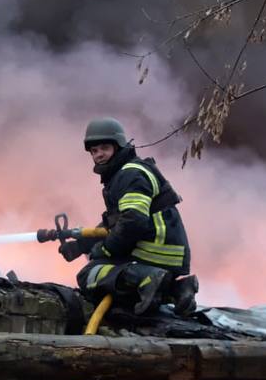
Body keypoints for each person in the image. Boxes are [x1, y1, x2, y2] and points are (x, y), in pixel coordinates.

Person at [59, 117, 199, 315]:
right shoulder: (125, 173)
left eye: (104, 148)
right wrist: (81, 245)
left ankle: (146, 277)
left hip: (153, 252)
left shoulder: (129, 174)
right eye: (94, 151)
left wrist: (106, 249)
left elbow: (133, 222)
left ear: (118, 146)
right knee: (123, 288)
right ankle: (179, 290)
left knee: (90, 274)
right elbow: (116, 223)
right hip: (167, 254)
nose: (99, 155)